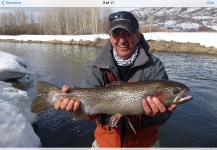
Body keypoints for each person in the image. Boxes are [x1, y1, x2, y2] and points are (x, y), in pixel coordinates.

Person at [54, 11, 176, 147]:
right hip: (105, 144)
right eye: (116, 34)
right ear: (110, 38)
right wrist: (77, 109)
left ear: (137, 36)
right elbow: (89, 113)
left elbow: (163, 117)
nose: (121, 40)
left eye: (127, 34)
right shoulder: (98, 66)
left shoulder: (154, 66)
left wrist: (155, 115)